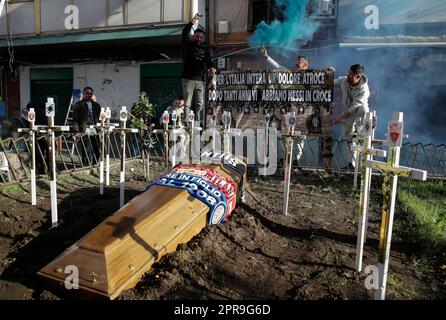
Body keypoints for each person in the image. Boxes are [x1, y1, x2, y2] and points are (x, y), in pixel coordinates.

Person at [261, 47, 310, 172]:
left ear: (305, 65)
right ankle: (283, 160)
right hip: (288, 110)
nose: (296, 64)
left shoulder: (311, 77)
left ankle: (295, 161)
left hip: (302, 111)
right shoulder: (289, 74)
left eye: (299, 62)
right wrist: (266, 56)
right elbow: (278, 66)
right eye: (296, 61)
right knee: (285, 134)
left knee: (300, 137)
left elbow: (325, 82)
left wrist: (330, 73)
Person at [182, 13, 216, 127]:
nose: (199, 39)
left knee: (200, 103)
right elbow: (185, 31)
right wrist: (195, 19)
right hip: (188, 78)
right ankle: (186, 123)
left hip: (201, 81)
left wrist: (213, 69)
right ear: (193, 36)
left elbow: (210, 63)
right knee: (187, 103)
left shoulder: (205, 50)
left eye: (201, 37)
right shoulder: (188, 45)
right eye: (197, 36)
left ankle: (198, 123)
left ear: (203, 38)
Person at [334, 64, 370, 171]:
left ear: (358, 77)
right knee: (350, 140)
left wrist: (341, 117)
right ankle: (351, 164)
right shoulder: (344, 80)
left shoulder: (364, 90)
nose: (348, 76)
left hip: (358, 115)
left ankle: (362, 167)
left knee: (358, 138)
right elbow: (331, 82)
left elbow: (355, 107)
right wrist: (328, 74)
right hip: (347, 115)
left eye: (350, 75)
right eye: (348, 73)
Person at [73, 87, 101, 165]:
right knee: (86, 149)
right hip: (85, 129)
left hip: (94, 128)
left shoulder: (96, 105)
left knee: (97, 149)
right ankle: (84, 166)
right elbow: (75, 119)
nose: (89, 95)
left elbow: (98, 118)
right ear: (84, 94)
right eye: (87, 93)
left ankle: (94, 164)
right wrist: (77, 131)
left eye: (90, 93)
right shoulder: (78, 105)